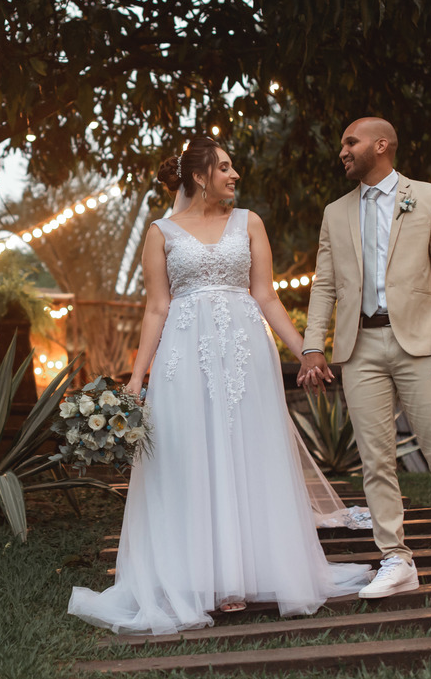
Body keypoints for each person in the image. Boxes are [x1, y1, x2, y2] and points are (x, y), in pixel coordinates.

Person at [67, 136, 372, 636]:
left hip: (246, 353)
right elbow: (157, 308)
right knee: (190, 456)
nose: (234, 175)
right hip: (183, 357)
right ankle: (200, 577)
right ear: (199, 175)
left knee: (248, 452)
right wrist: (137, 375)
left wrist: (306, 352)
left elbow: (267, 295)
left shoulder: (249, 222)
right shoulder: (160, 232)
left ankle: (253, 571)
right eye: (225, 167)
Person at [299, 117, 431, 599]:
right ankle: (396, 559)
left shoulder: (429, 196)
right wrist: (312, 344)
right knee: (375, 460)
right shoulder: (335, 212)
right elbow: (324, 283)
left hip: (421, 346)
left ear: (381, 145)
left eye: (351, 141)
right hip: (359, 347)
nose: (343, 150)